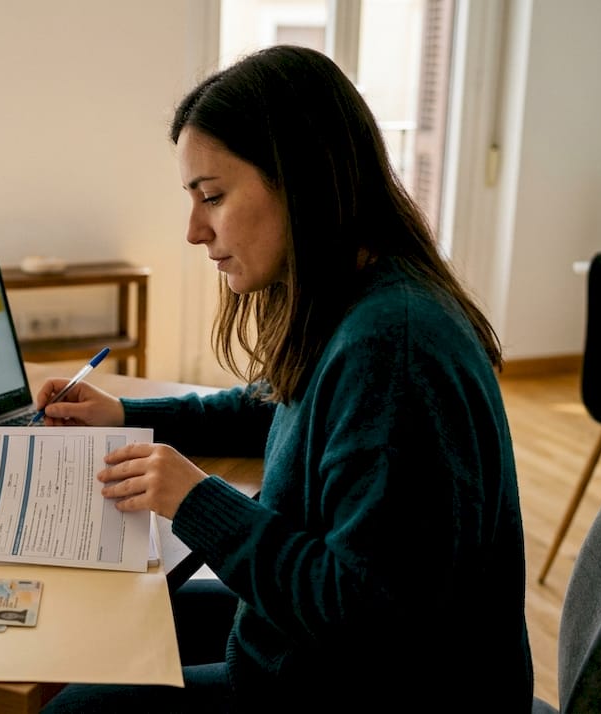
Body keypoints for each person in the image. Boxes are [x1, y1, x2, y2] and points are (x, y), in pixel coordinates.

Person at [38, 45, 533, 712]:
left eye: (211, 196)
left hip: (366, 686)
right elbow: (274, 406)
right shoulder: (364, 301)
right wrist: (124, 416)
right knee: (109, 618)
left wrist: (198, 500)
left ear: (299, 180)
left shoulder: (392, 349)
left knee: (76, 704)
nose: (193, 230)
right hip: (321, 657)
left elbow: (361, 610)